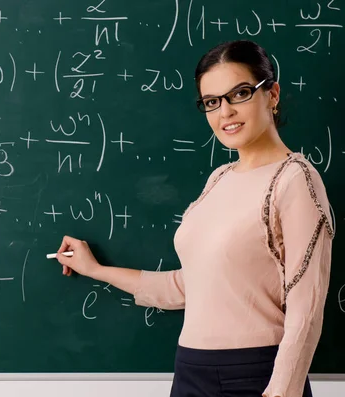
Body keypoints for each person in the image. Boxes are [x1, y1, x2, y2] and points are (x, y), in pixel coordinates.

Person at [54, 39, 334, 397]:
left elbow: (306, 310)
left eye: (241, 93)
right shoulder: (219, 179)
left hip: (255, 375)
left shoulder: (295, 179)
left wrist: (282, 391)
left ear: (272, 94)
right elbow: (190, 286)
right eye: (212, 102)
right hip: (190, 370)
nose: (226, 112)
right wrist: (96, 270)